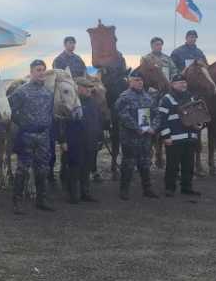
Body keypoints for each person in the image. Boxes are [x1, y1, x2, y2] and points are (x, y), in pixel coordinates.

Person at [9, 60, 56, 214]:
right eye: (38, 70)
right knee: (22, 170)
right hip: (27, 136)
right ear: (31, 72)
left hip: (43, 136)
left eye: (43, 69)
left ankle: (41, 200)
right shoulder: (21, 92)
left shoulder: (48, 92)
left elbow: (50, 114)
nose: (41, 72)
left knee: (43, 169)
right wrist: (22, 123)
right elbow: (10, 110)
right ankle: (17, 202)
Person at [113, 70, 160, 200]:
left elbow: (157, 114)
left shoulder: (148, 97)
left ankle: (147, 188)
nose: (139, 83)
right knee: (128, 164)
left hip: (146, 137)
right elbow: (123, 115)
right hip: (130, 138)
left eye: (141, 80)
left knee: (145, 162)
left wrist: (153, 128)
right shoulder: (124, 97)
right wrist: (137, 128)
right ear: (130, 82)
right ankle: (124, 190)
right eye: (136, 80)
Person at [56, 78, 102, 203]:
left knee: (86, 169)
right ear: (77, 88)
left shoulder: (93, 102)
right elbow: (61, 123)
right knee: (73, 169)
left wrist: (99, 137)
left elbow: (98, 121)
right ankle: (72, 195)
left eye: (90, 87)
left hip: (90, 141)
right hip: (74, 142)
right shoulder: (71, 102)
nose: (89, 89)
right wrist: (62, 140)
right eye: (85, 87)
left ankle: (85, 192)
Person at [157, 73, 201, 197]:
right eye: (180, 83)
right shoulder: (167, 99)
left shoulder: (191, 98)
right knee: (172, 165)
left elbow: (195, 115)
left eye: (184, 82)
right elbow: (162, 119)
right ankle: (169, 188)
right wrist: (166, 137)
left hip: (190, 137)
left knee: (189, 165)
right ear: (173, 85)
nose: (183, 84)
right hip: (174, 139)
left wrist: (198, 125)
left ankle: (187, 187)